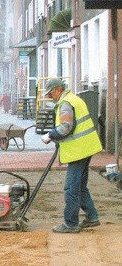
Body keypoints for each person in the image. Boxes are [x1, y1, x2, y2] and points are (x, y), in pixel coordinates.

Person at [41, 78, 102, 233]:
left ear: (57, 90)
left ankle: (71, 223)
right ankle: (92, 217)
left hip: (78, 150)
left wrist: (50, 135)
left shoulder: (66, 103)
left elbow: (66, 127)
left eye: (50, 94)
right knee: (80, 186)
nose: (49, 97)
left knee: (71, 188)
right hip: (86, 147)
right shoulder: (74, 99)